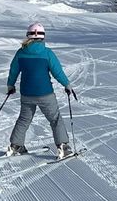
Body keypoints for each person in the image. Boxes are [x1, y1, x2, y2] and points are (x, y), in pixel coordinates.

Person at [5, 22, 74, 159]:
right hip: (45, 93)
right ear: (42, 37)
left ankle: (15, 146)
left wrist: (10, 85)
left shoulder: (21, 53)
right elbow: (57, 72)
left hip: (26, 94)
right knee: (55, 119)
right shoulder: (47, 53)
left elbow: (13, 71)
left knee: (24, 119)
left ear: (28, 36)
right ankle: (63, 148)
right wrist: (67, 85)